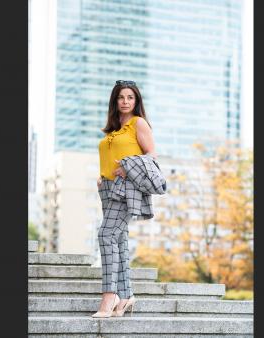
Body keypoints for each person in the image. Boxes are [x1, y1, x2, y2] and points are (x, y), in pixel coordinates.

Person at [92, 80, 158, 318]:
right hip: (107, 188)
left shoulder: (138, 123)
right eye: (121, 97)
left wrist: (128, 167)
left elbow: (152, 154)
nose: (126, 101)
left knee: (105, 234)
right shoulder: (113, 128)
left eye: (130, 97)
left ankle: (109, 296)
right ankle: (127, 294)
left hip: (126, 188)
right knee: (118, 240)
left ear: (136, 101)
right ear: (115, 100)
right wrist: (102, 177)